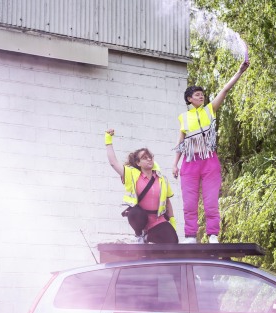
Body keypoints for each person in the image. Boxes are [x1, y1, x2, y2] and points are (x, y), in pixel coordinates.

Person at [172, 60, 250, 244]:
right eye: (197, 95)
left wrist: (239, 72)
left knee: (211, 202)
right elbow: (180, 142)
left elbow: (224, 90)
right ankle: (191, 236)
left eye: (203, 95)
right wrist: (175, 163)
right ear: (189, 99)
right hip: (190, 162)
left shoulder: (209, 110)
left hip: (209, 160)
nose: (202, 97)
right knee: (189, 203)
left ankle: (213, 234)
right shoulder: (184, 117)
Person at [105, 129, 178, 244]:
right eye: (145, 157)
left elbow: (168, 202)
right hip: (142, 219)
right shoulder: (132, 175)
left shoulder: (162, 179)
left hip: (158, 220)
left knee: (173, 242)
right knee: (135, 212)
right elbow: (113, 162)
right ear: (138, 163)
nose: (149, 159)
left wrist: (172, 222)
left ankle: (148, 237)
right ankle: (139, 235)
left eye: (150, 157)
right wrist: (108, 140)